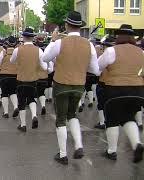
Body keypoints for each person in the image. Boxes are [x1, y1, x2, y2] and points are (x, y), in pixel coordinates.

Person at [41, 11, 99, 165]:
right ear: (80, 27)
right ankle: (79, 145)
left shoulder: (60, 43)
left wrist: (53, 41)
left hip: (61, 85)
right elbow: (95, 69)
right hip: (79, 86)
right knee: (72, 115)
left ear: (67, 25)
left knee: (61, 119)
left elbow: (45, 58)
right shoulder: (89, 45)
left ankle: (63, 154)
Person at [99, 24, 144, 163]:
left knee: (112, 119)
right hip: (137, 91)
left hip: (115, 90)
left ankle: (112, 151)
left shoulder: (111, 51)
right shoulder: (141, 52)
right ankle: (137, 144)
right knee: (128, 118)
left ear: (119, 37)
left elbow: (97, 67)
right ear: (132, 37)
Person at [10, 27, 46, 132]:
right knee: (31, 98)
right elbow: (43, 66)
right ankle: (34, 115)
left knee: (21, 101)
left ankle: (23, 125)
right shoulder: (38, 50)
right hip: (33, 79)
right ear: (32, 37)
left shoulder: (18, 49)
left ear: (24, 37)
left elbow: (12, 61)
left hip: (21, 79)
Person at [0, 36, 19, 118]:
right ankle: (16, 107)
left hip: (4, 75)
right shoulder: (18, 52)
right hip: (15, 75)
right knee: (13, 92)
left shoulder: (3, 52)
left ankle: (5, 112)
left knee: (4, 93)